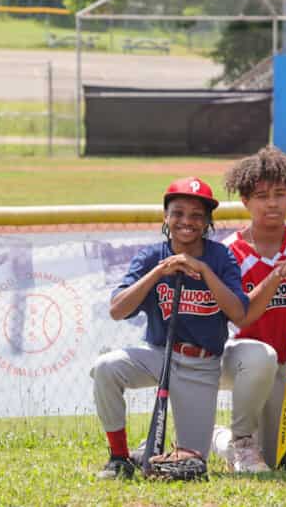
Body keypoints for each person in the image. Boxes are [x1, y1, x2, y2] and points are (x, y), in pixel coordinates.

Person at [90, 177, 248, 479]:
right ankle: (120, 457)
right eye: (177, 213)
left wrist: (203, 271)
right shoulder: (152, 257)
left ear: (207, 222)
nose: (186, 221)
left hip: (201, 365)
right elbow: (116, 310)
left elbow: (239, 313)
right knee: (106, 367)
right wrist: (159, 272)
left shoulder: (220, 257)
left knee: (189, 462)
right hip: (158, 356)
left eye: (196, 215)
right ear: (166, 217)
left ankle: (150, 448)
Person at [212, 146, 286, 472]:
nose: (272, 203)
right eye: (261, 195)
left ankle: (219, 439)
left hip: (283, 364)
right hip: (239, 359)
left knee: (278, 461)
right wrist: (277, 277)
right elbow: (241, 316)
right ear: (245, 202)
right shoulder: (229, 252)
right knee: (259, 359)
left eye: (280, 194)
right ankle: (238, 440)